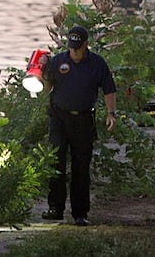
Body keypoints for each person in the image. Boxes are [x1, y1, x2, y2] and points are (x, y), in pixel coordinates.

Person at [40, 25, 117, 226]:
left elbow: (109, 88)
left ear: (85, 45)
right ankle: (55, 208)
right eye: (71, 47)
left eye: (77, 47)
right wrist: (43, 72)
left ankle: (80, 213)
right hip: (59, 117)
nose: (74, 51)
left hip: (83, 119)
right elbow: (47, 90)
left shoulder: (97, 63)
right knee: (56, 161)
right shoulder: (58, 61)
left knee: (80, 166)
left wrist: (111, 113)